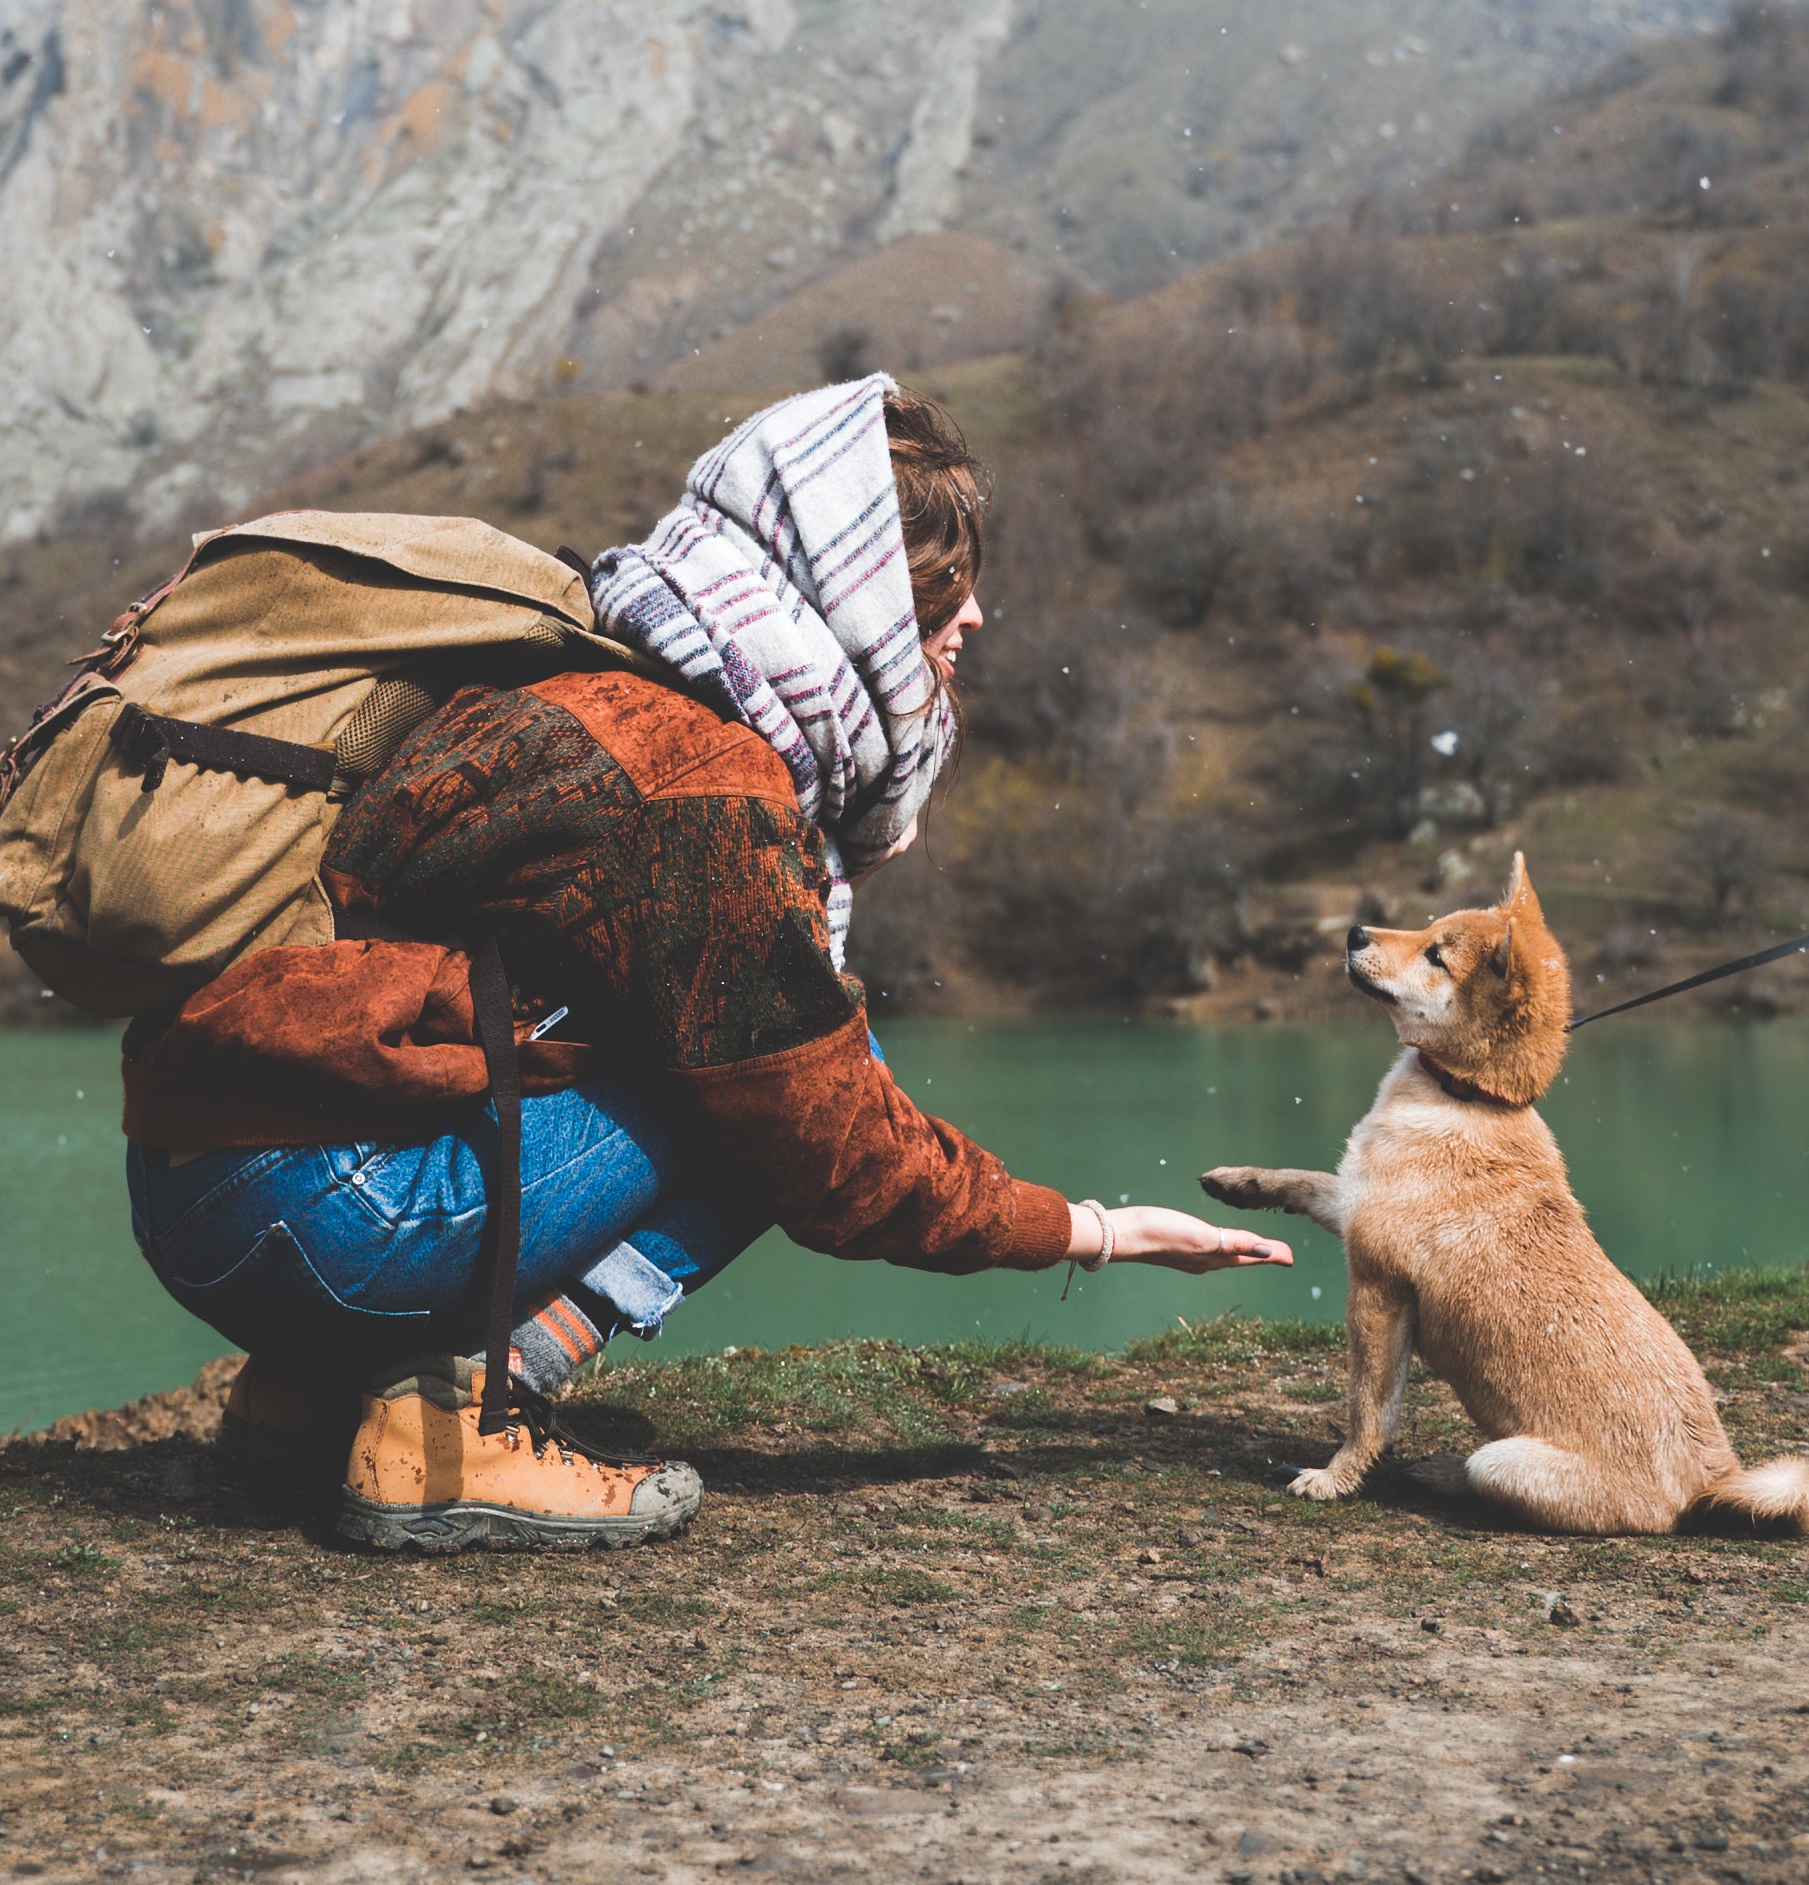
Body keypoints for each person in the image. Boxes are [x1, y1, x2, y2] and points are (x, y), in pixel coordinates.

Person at [117, 374, 1291, 1549]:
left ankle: (310, 1397)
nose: (973, 617)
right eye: (940, 583)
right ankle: (459, 1418)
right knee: (783, 1095)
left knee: (732, 1051)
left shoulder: (590, 677)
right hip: (334, 1223)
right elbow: (836, 1152)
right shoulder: (704, 785)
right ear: (854, 595)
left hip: (201, 1200)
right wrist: (1091, 1230)